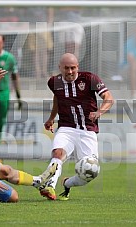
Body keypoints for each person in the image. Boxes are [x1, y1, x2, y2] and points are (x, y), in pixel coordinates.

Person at [38, 53, 114, 201]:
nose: (70, 71)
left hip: (88, 131)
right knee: (58, 154)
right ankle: (50, 187)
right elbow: (57, 99)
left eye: (73, 68)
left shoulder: (90, 79)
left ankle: (67, 183)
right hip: (66, 128)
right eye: (66, 68)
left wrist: (99, 112)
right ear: (60, 68)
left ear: (77, 67)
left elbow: (109, 98)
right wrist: (52, 118)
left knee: (90, 173)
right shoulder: (54, 82)